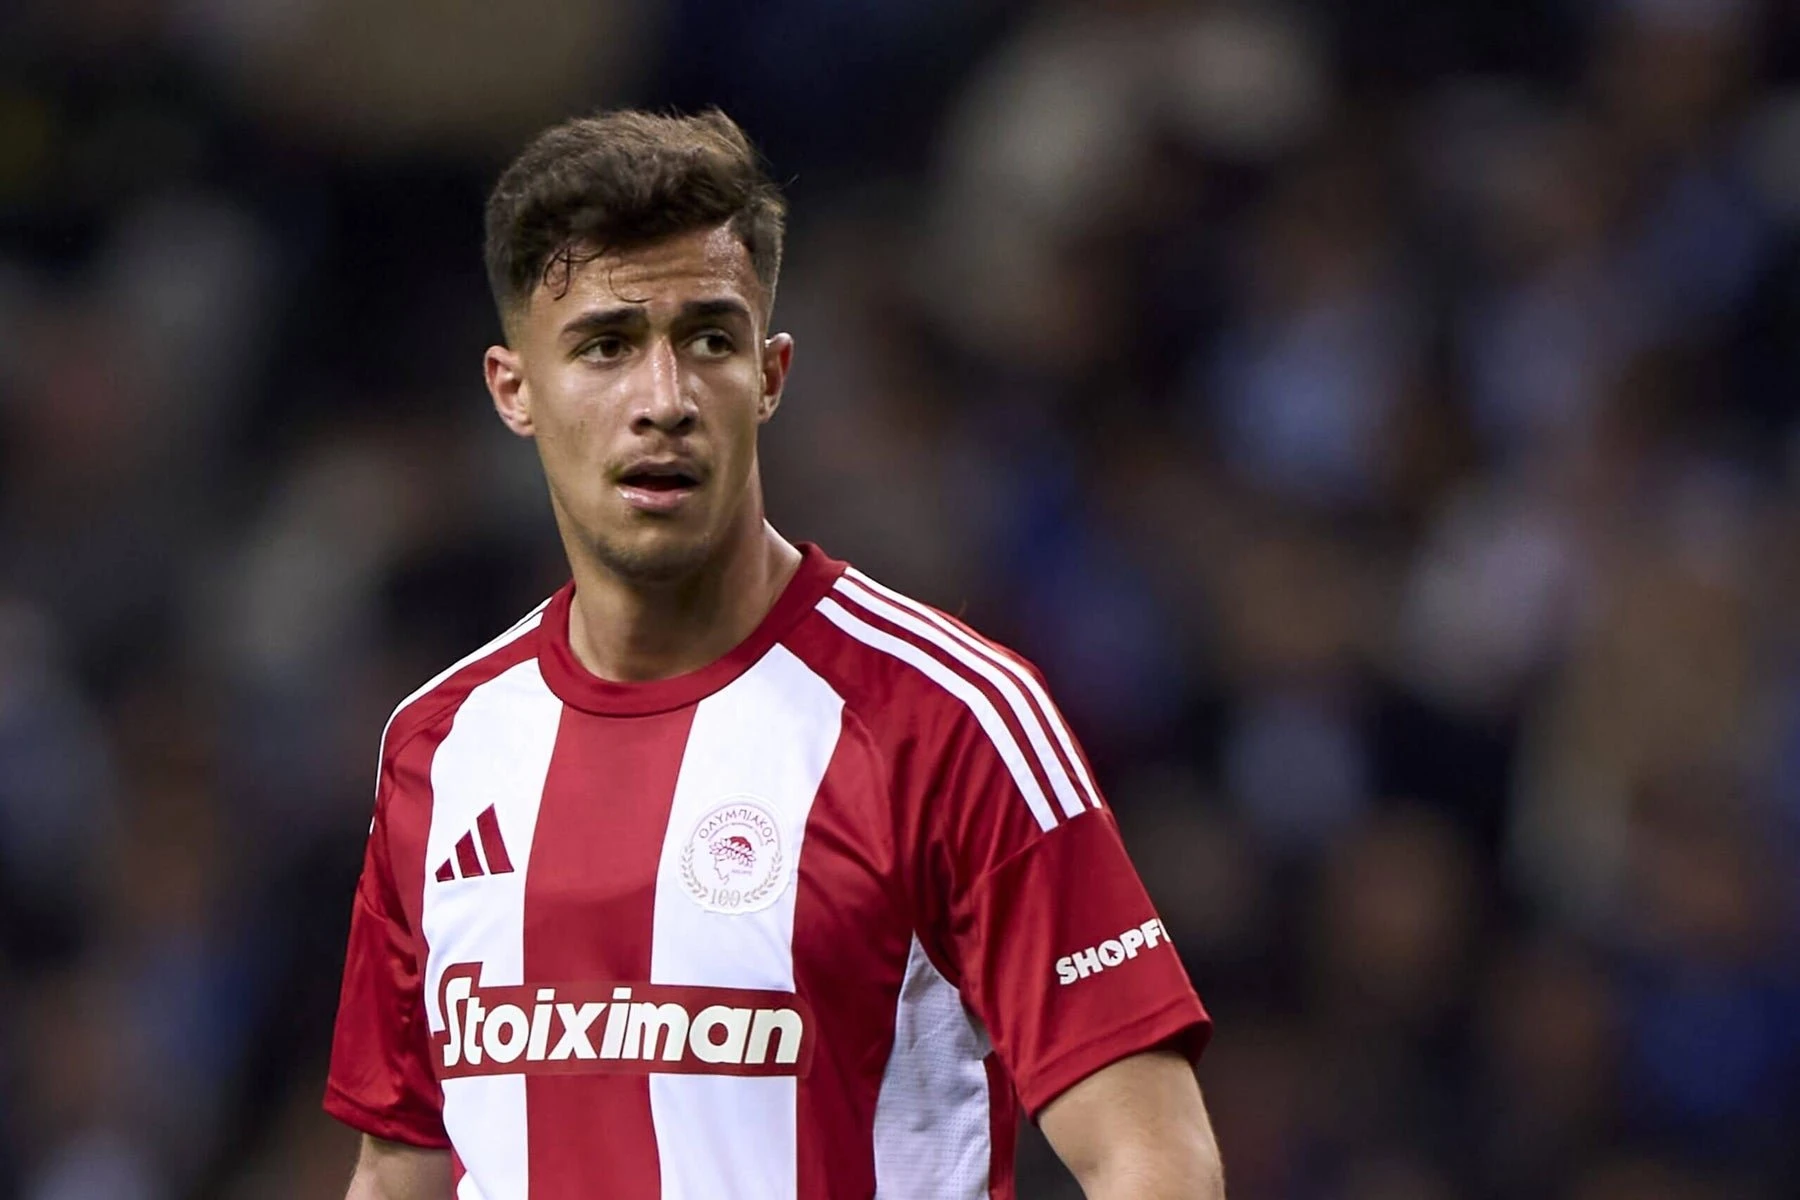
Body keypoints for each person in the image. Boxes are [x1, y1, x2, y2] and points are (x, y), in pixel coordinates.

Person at [324, 107, 1225, 1200]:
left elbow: (1152, 1158)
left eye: (709, 339)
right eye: (606, 346)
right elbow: (400, 1169)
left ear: (772, 374)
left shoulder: (949, 719)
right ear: (515, 391)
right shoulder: (440, 746)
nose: (664, 402)